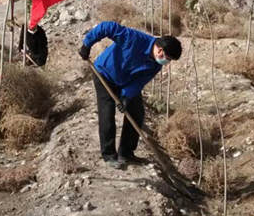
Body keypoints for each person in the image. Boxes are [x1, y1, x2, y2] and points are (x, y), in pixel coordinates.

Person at [78, 21, 182, 169]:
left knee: (137, 112)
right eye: (168, 58)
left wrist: (126, 97)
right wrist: (87, 44)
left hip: (125, 83)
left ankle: (126, 153)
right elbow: (106, 27)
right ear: (160, 51)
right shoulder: (134, 38)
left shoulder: (156, 64)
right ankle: (108, 155)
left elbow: (139, 81)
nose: (167, 62)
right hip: (104, 74)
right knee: (107, 113)